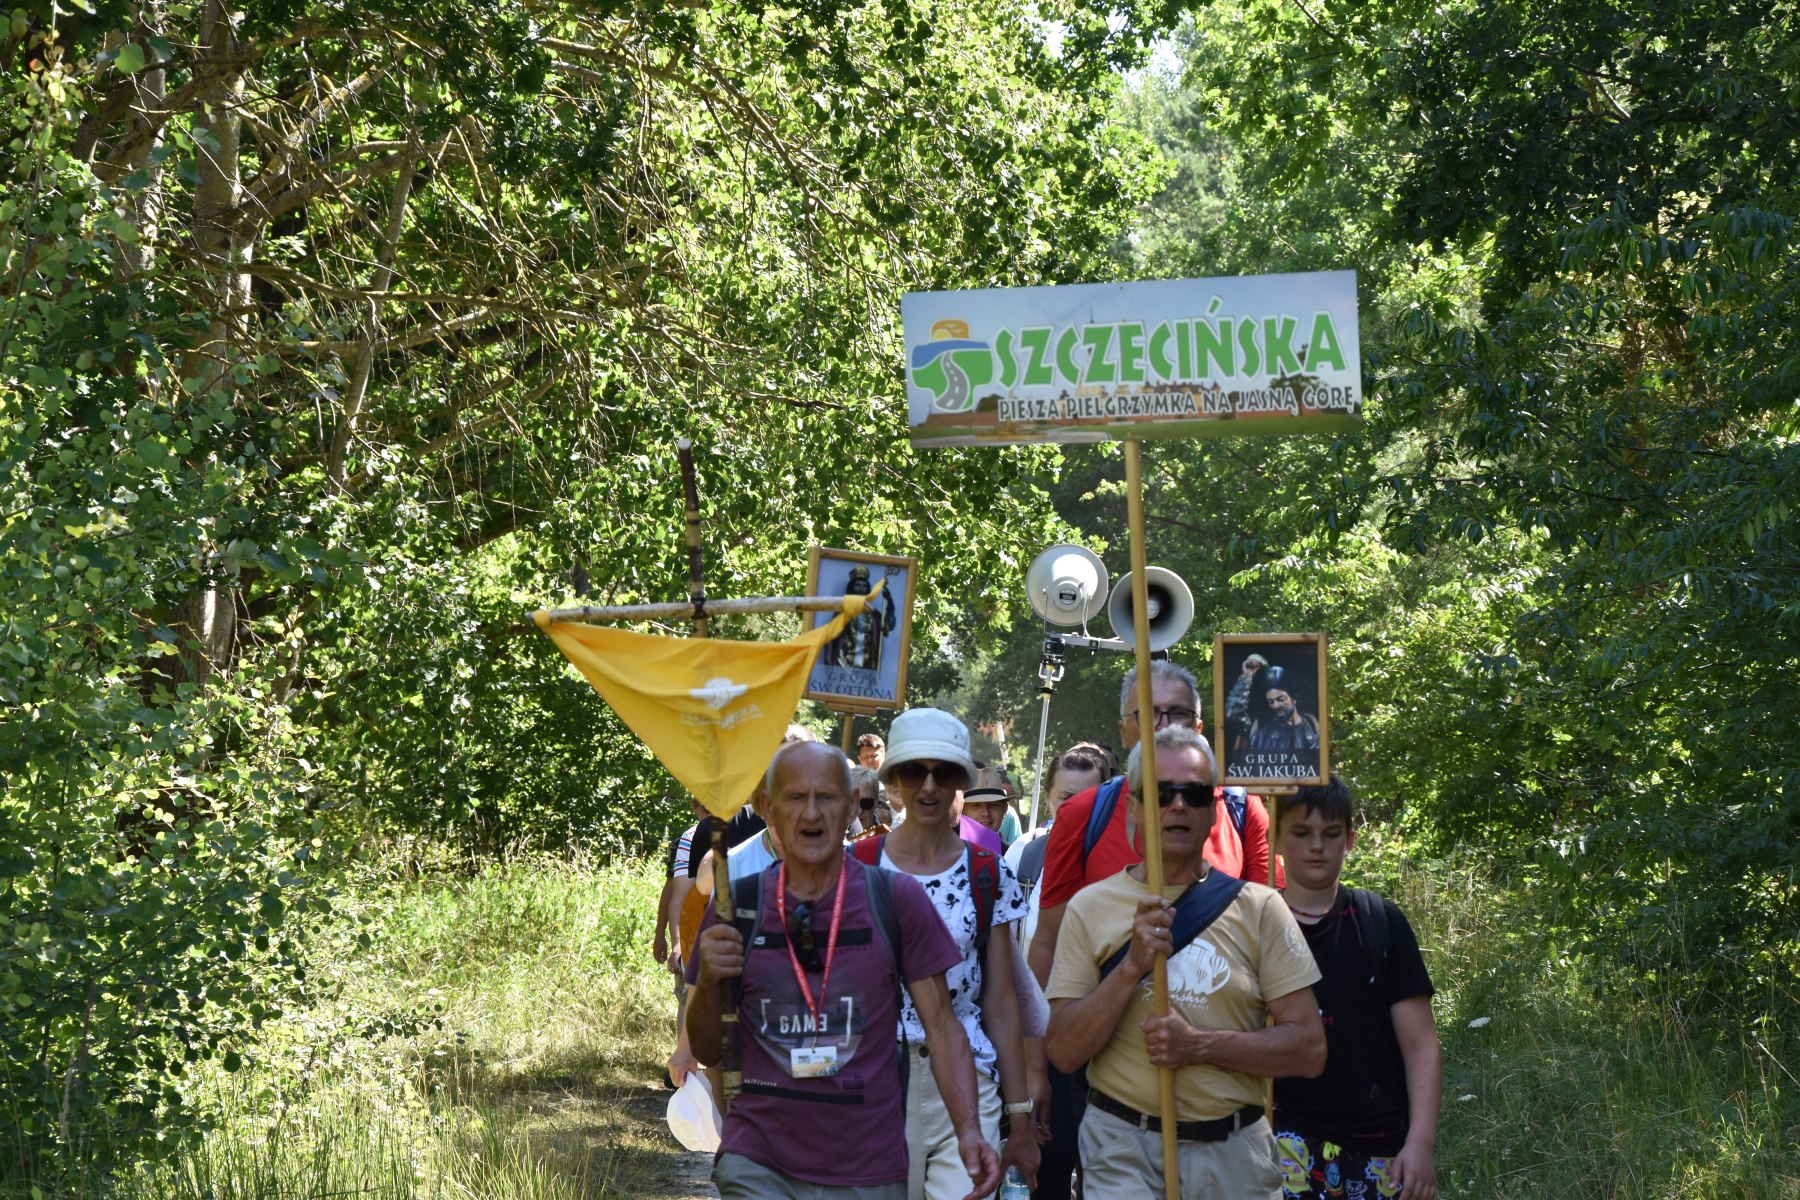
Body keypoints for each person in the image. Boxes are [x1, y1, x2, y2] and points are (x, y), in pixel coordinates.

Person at [686, 741, 1002, 1200]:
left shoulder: (895, 899)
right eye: (796, 797)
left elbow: (942, 1027)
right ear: (768, 808)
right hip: (759, 1161)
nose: (812, 814)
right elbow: (706, 1048)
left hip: (866, 1167)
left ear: (852, 805)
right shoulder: (737, 905)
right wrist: (709, 983)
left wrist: (968, 1131)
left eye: (827, 797)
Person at [1045, 726, 1325, 1200]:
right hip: (1123, 1149)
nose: (1177, 806)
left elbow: (1309, 1050)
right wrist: (1130, 968)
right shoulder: (1089, 907)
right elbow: (1065, 1051)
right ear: (1133, 808)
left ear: (1213, 811)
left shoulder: (1260, 909)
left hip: (1236, 1153)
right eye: (1160, 793)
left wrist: (1199, 1046)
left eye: (1194, 794)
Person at [1029, 660, 1282, 994]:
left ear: (1198, 728)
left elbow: (1273, 934)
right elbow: (1049, 942)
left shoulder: (1243, 809)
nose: (1163, 726)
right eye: (1147, 714)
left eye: (1178, 713)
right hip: (1105, 1020)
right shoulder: (1082, 814)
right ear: (1123, 731)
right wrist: (1043, 1028)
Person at [871, 709, 1040, 1199]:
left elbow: (1001, 1001)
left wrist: (1020, 1115)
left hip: (970, 1078)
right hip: (878, 1083)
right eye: (913, 771)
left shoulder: (989, 872)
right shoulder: (859, 867)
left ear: (961, 781)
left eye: (943, 772)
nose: (929, 786)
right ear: (893, 781)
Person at [1272, 777, 1441, 1200]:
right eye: (1301, 833)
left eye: (1331, 834)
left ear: (1349, 839)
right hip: (1281, 1140)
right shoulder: (1255, 927)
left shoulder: (1380, 921)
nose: (1316, 846)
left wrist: (1420, 1144)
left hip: (1378, 1145)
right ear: (1276, 838)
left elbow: (1421, 1045)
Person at [822, 565, 898, 672]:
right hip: (843, 665)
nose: (861, 589)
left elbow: (889, 625)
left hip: (867, 666)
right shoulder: (842, 612)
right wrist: (829, 664)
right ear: (852, 587)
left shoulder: (873, 614)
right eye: (858, 585)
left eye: (864, 586)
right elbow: (830, 637)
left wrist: (889, 602)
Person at [1249, 666, 1320, 756]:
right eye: (1271, 702)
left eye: (1281, 699)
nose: (1275, 705)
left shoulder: (1312, 724)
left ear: (1294, 699)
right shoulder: (1263, 732)